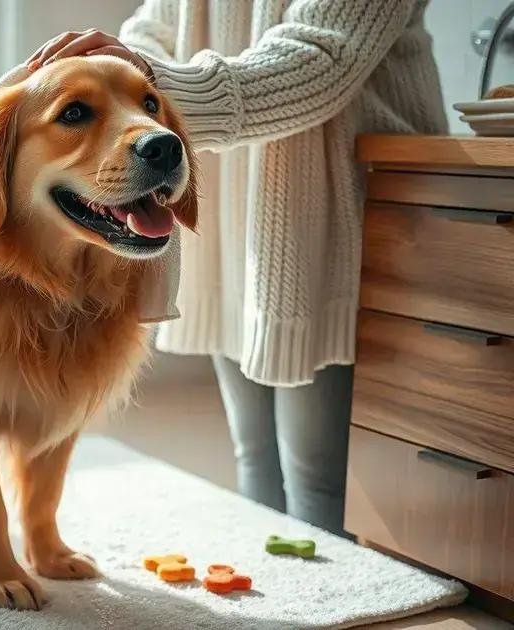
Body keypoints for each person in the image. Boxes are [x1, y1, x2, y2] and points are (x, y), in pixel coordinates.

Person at [27, 0, 447, 536]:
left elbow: (317, 62)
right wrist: (125, 73)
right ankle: (279, 608)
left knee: (317, 478)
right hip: (235, 206)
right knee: (253, 455)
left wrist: (153, 89)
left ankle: (322, 608)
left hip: (332, 209)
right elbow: (154, 28)